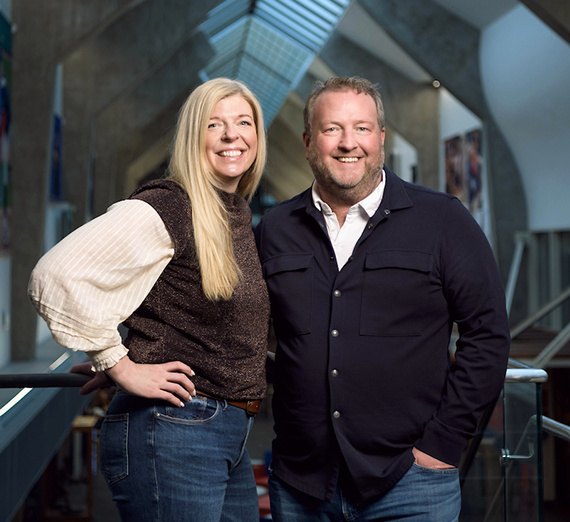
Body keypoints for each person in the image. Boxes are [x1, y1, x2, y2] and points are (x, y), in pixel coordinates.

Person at [254, 77, 510, 521]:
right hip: (301, 483)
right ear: (308, 140)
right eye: (332, 129)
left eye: (362, 128)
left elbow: (487, 335)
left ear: (382, 138)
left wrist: (443, 443)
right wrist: (126, 359)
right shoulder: (275, 228)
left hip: (411, 483)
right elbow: (233, 325)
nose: (348, 143)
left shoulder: (443, 220)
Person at [28, 77, 270, 522]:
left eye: (243, 121)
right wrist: (116, 362)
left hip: (225, 431)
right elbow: (55, 274)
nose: (232, 135)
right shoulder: (171, 205)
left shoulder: (232, 213)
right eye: (214, 124)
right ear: (193, 137)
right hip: (176, 429)